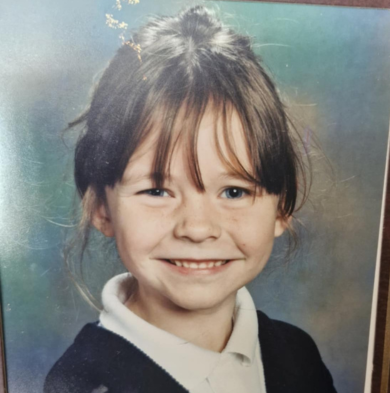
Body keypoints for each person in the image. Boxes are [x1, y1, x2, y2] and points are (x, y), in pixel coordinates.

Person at [45, 5, 337, 393]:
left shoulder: (297, 356)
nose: (197, 229)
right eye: (157, 190)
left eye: (234, 191)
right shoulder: (78, 384)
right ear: (101, 207)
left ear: (282, 206)